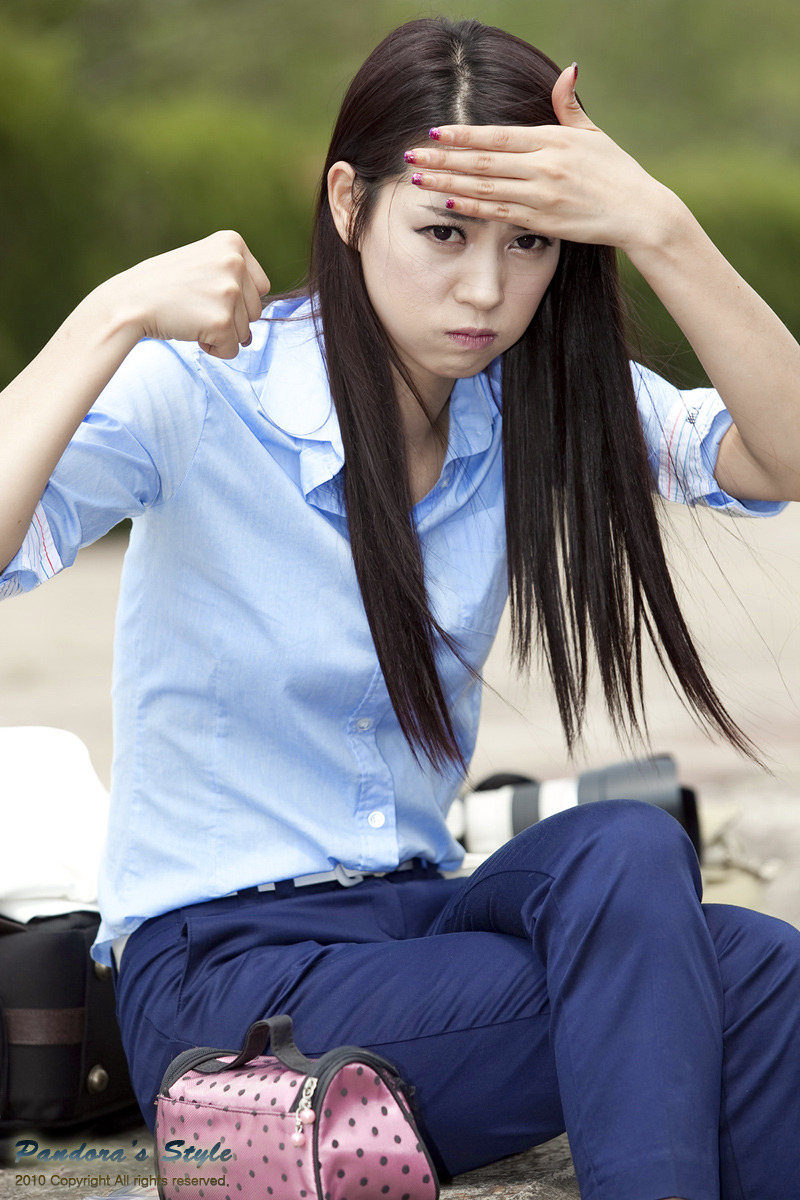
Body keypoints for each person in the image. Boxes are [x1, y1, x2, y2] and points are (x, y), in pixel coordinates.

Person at [1, 15, 799, 1200]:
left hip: (421, 923)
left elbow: (780, 454)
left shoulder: (523, 404)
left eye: (529, 242)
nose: (486, 288)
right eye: (442, 232)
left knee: (652, 860)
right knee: (735, 983)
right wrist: (108, 313)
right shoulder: (205, 392)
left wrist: (658, 225)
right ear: (347, 204)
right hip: (222, 976)